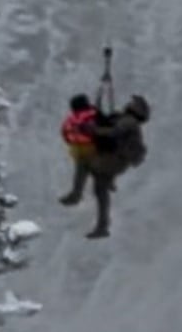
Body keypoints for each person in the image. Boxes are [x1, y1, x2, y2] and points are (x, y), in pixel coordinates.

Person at [61, 94, 150, 239]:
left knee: (84, 161)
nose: (128, 104)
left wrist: (93, 130)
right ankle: (102, 226)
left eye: (131, 103)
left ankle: (76, 194)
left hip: (113, 160)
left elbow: (114, 132)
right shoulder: (127, 120)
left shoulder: (129, 121)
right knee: (100, 191)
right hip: (115, 160)